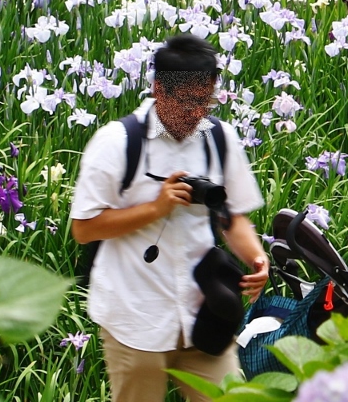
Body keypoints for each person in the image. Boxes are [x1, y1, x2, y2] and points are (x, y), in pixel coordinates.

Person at [71, 34, 269, 402]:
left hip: (204, 315)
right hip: (134, 319)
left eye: (205, 102)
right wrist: (155, 209)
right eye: (188, 102)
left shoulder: (219, 138)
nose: (198, 113)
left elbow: (234, 217)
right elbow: (83, 229)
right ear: (158, 89)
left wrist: (256, 258)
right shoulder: (117, 142)